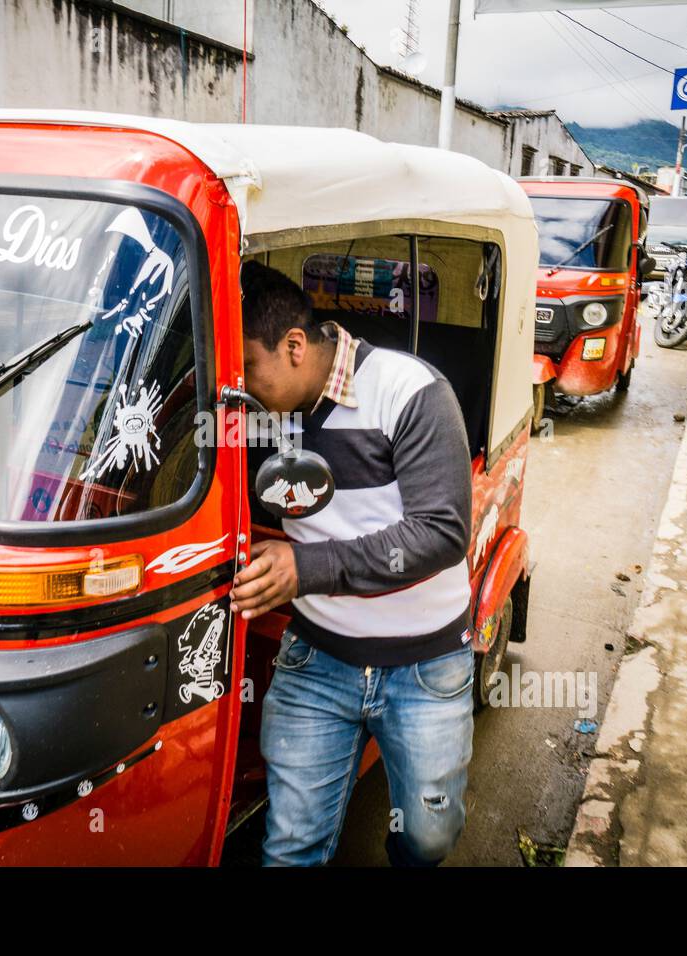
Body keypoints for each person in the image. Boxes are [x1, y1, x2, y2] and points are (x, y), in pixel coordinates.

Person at [229, 260, 475, 867]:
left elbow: (441, 533)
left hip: (425, 664)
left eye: (248, 369)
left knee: (426, 838)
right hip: (317, 659)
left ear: (293, 347)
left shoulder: (409, 391)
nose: (238, 387)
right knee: (291, 848)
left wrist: (303, 569)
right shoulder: (251, 407)